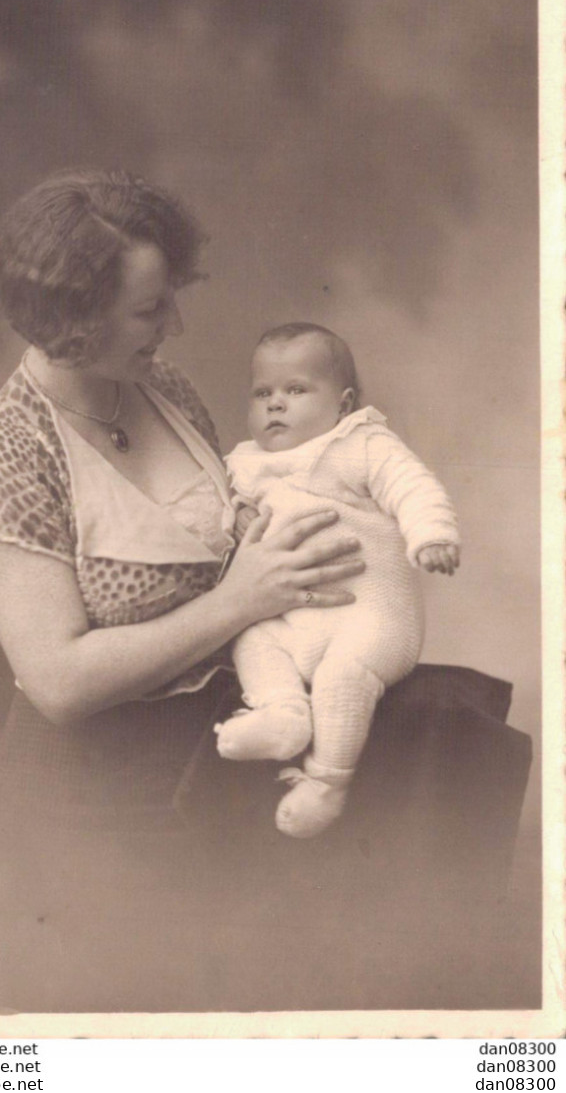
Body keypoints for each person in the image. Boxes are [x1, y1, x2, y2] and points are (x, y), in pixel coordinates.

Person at [0, 169, 366, 1012]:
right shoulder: (6, 453)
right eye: (149, 311)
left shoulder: (162, 387)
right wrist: (241, 599)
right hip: (88, 822)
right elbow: (58, 681)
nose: (174, 324)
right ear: (72, 322)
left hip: (208, 778)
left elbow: (220, 538)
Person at [215, 324, 460, 839]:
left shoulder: (361, 443)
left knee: (341, 678)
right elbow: (227, 510)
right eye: (263, 394)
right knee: (254, 640)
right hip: (294, 621)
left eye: (296, 390)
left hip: (371, 617)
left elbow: (410, 486)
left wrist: (432, 534)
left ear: (343, 403)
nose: (275, 405)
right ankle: (282, 714)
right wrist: (235, 517)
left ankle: (326, 783)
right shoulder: (246, 463)